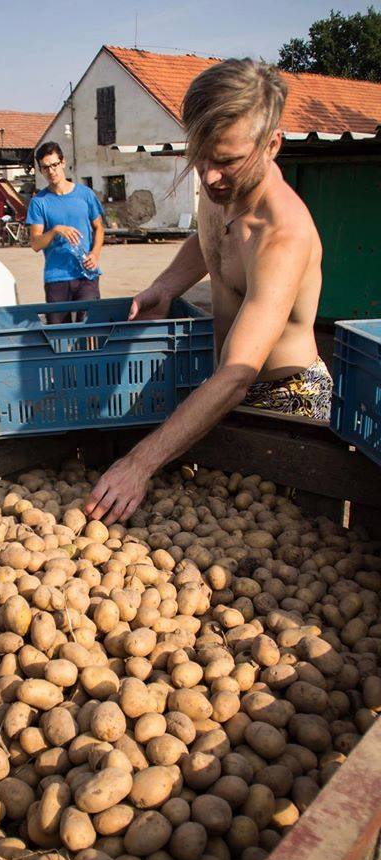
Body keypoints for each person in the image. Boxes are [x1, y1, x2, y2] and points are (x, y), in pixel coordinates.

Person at [85, 57, 332, 526]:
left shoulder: (283, 235)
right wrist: (165, 285)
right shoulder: (219, 190)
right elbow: (208, 243)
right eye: (200, 157)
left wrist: (137, 464)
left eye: (226, 161)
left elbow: (238, 375)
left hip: (285, 401)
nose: (210, 176)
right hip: (224, 391)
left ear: (272, 144)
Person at [27, 141, 105, 323]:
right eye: (45, 168)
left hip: (86, 274)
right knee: (58, 334)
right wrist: (55, 230)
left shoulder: (85, 195)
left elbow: (99, 228)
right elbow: (35, 244)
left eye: (54, 165)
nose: (51, 171)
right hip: (57, 277)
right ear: (40, 170)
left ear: (63, 162)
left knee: (89, 330)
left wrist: (95, 254)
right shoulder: (39, 202)